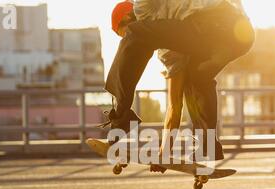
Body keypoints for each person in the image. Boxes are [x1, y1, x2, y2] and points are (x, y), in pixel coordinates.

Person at [106, 0, 255, 166]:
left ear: (128, 16)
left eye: (123, 35)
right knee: (196, 78)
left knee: (136, 33)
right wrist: (165, 152)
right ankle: (207, 147)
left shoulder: (143, 8)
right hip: (238, 36)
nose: (127, 43)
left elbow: (138, 29)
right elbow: (174, 106)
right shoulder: (172, 47)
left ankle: (120, 118)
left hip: (216, 22)